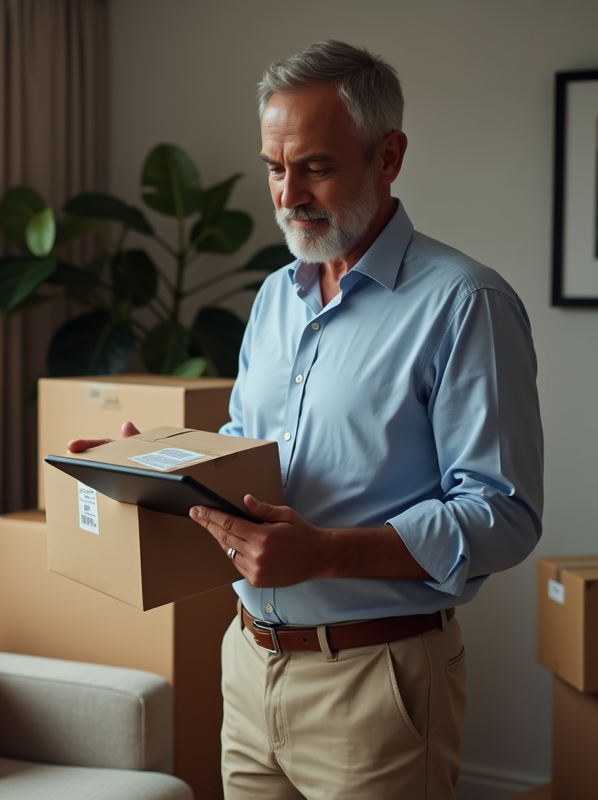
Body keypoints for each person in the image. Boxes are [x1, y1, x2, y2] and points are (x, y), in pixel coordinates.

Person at [67, 40, 544, 800]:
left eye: (315, 166)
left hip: (374, 685)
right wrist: (157, 463)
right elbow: (249, 447)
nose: (288, 195)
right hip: (249, 663)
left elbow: (504, 517)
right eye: (273, 167)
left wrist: (323, 553)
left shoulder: (465, 306)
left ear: (388, 156)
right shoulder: (273, 297)